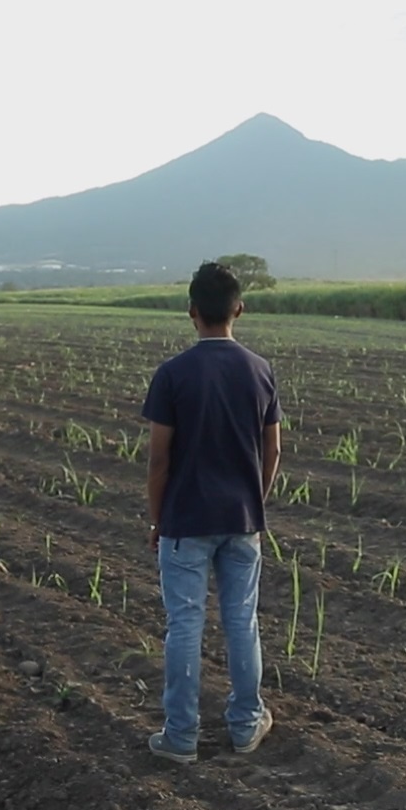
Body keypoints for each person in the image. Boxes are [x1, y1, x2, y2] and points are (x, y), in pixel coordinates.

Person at [140, 261, 282, 763]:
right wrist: (254, 501)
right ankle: (246, 725)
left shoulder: (173, 374)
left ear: (192, 313)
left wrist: (158, 520)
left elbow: (159, 458)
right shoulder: (260, 369)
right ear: (238, 310)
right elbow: (273, 451)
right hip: (243, 519)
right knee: (241, 620)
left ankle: (180, 737)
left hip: (185, 520)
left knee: (185, 624)